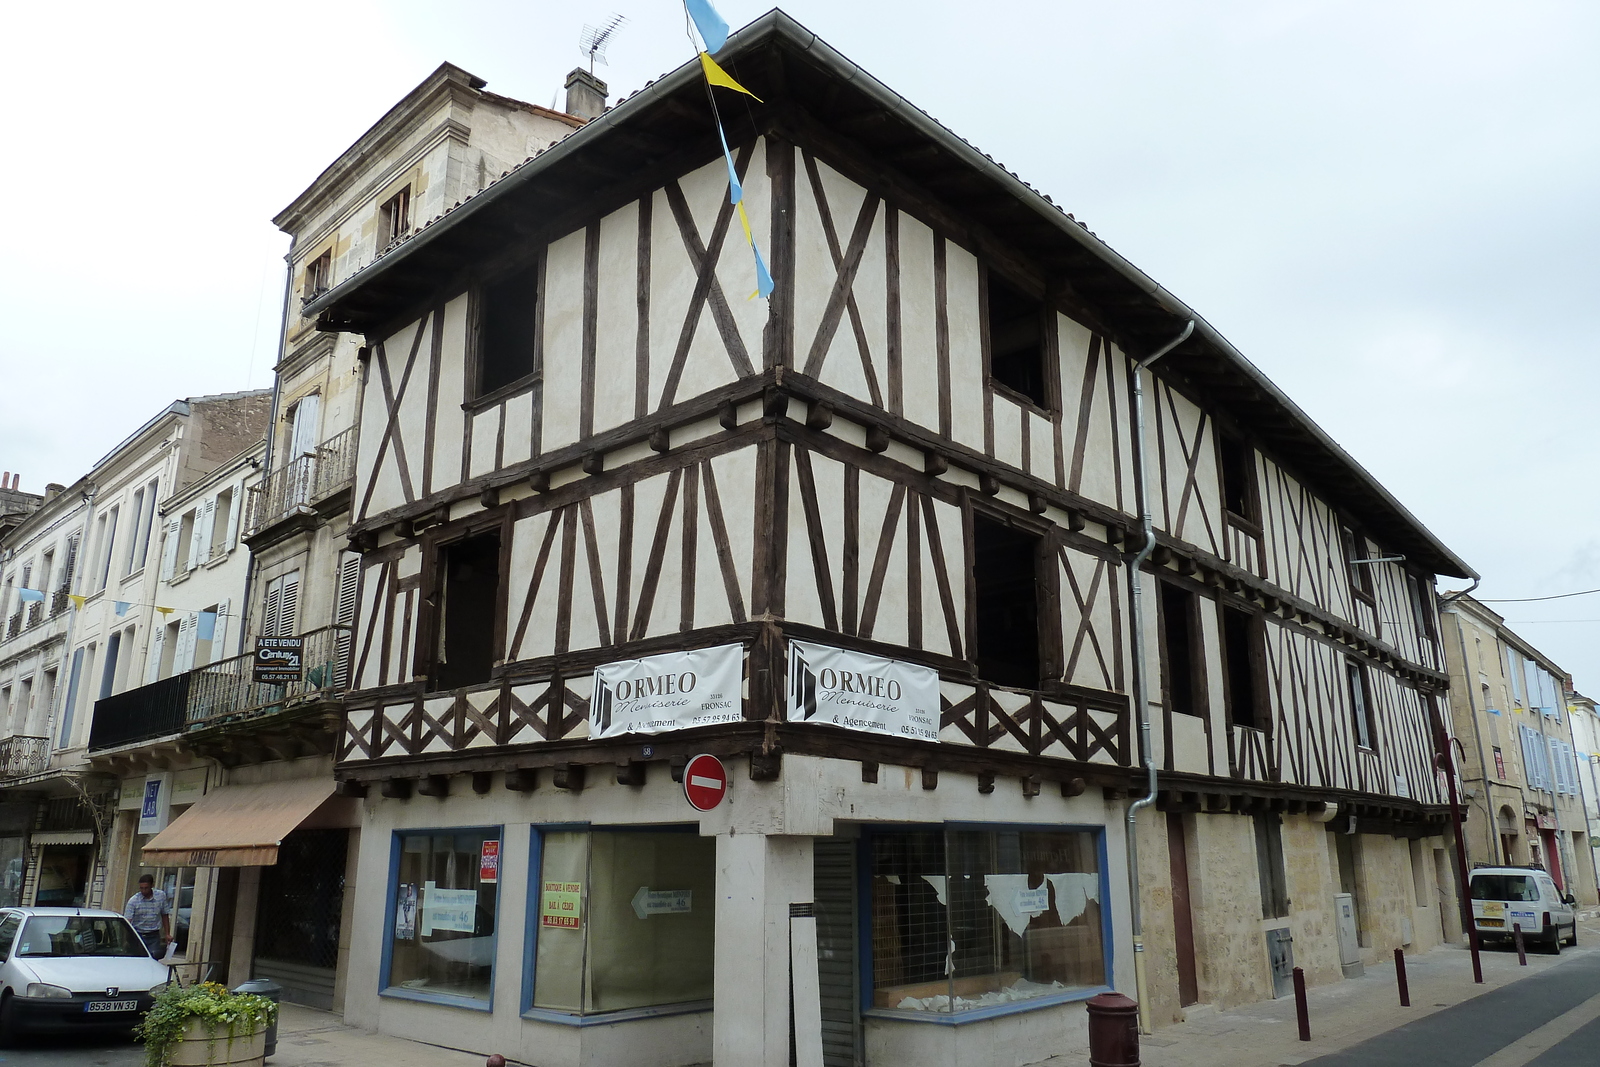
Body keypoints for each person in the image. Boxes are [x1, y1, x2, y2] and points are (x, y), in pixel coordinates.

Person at [124, 874, 171, 959]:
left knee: (153, 959)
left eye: (146, 888)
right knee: (138, 959)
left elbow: (165, 914)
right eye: (141, 888)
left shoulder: (160, 896)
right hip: (138, 934)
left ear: (152, 886)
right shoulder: (134, 901)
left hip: (154, 934)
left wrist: (167, 933)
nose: (144, 891)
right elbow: (128, 921)